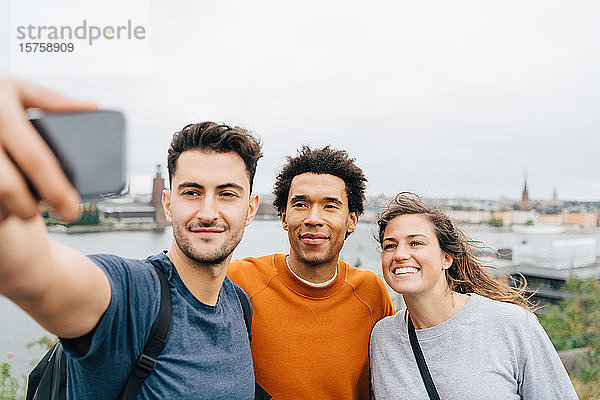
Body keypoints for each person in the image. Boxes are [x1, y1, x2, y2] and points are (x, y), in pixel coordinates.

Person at [0, 79, 262, 399]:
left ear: (250, 209)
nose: (207, 212)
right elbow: (31, 271)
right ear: (167, 204)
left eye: (226, 194)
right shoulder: (132, 296)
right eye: (191, 192)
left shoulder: (240, 306)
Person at [369, 193, 579, 399]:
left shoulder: (512, 325)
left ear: (446, 257)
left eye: (415, 243)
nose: (399, 254)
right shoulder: (383, 338)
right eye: (390, 245)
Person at [228, 146, 395, 400]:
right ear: (284, 216)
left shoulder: (372, 292)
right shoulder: (239, 279)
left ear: (352, 219)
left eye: (330, 206)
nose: (314, 218)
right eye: (301, 204)